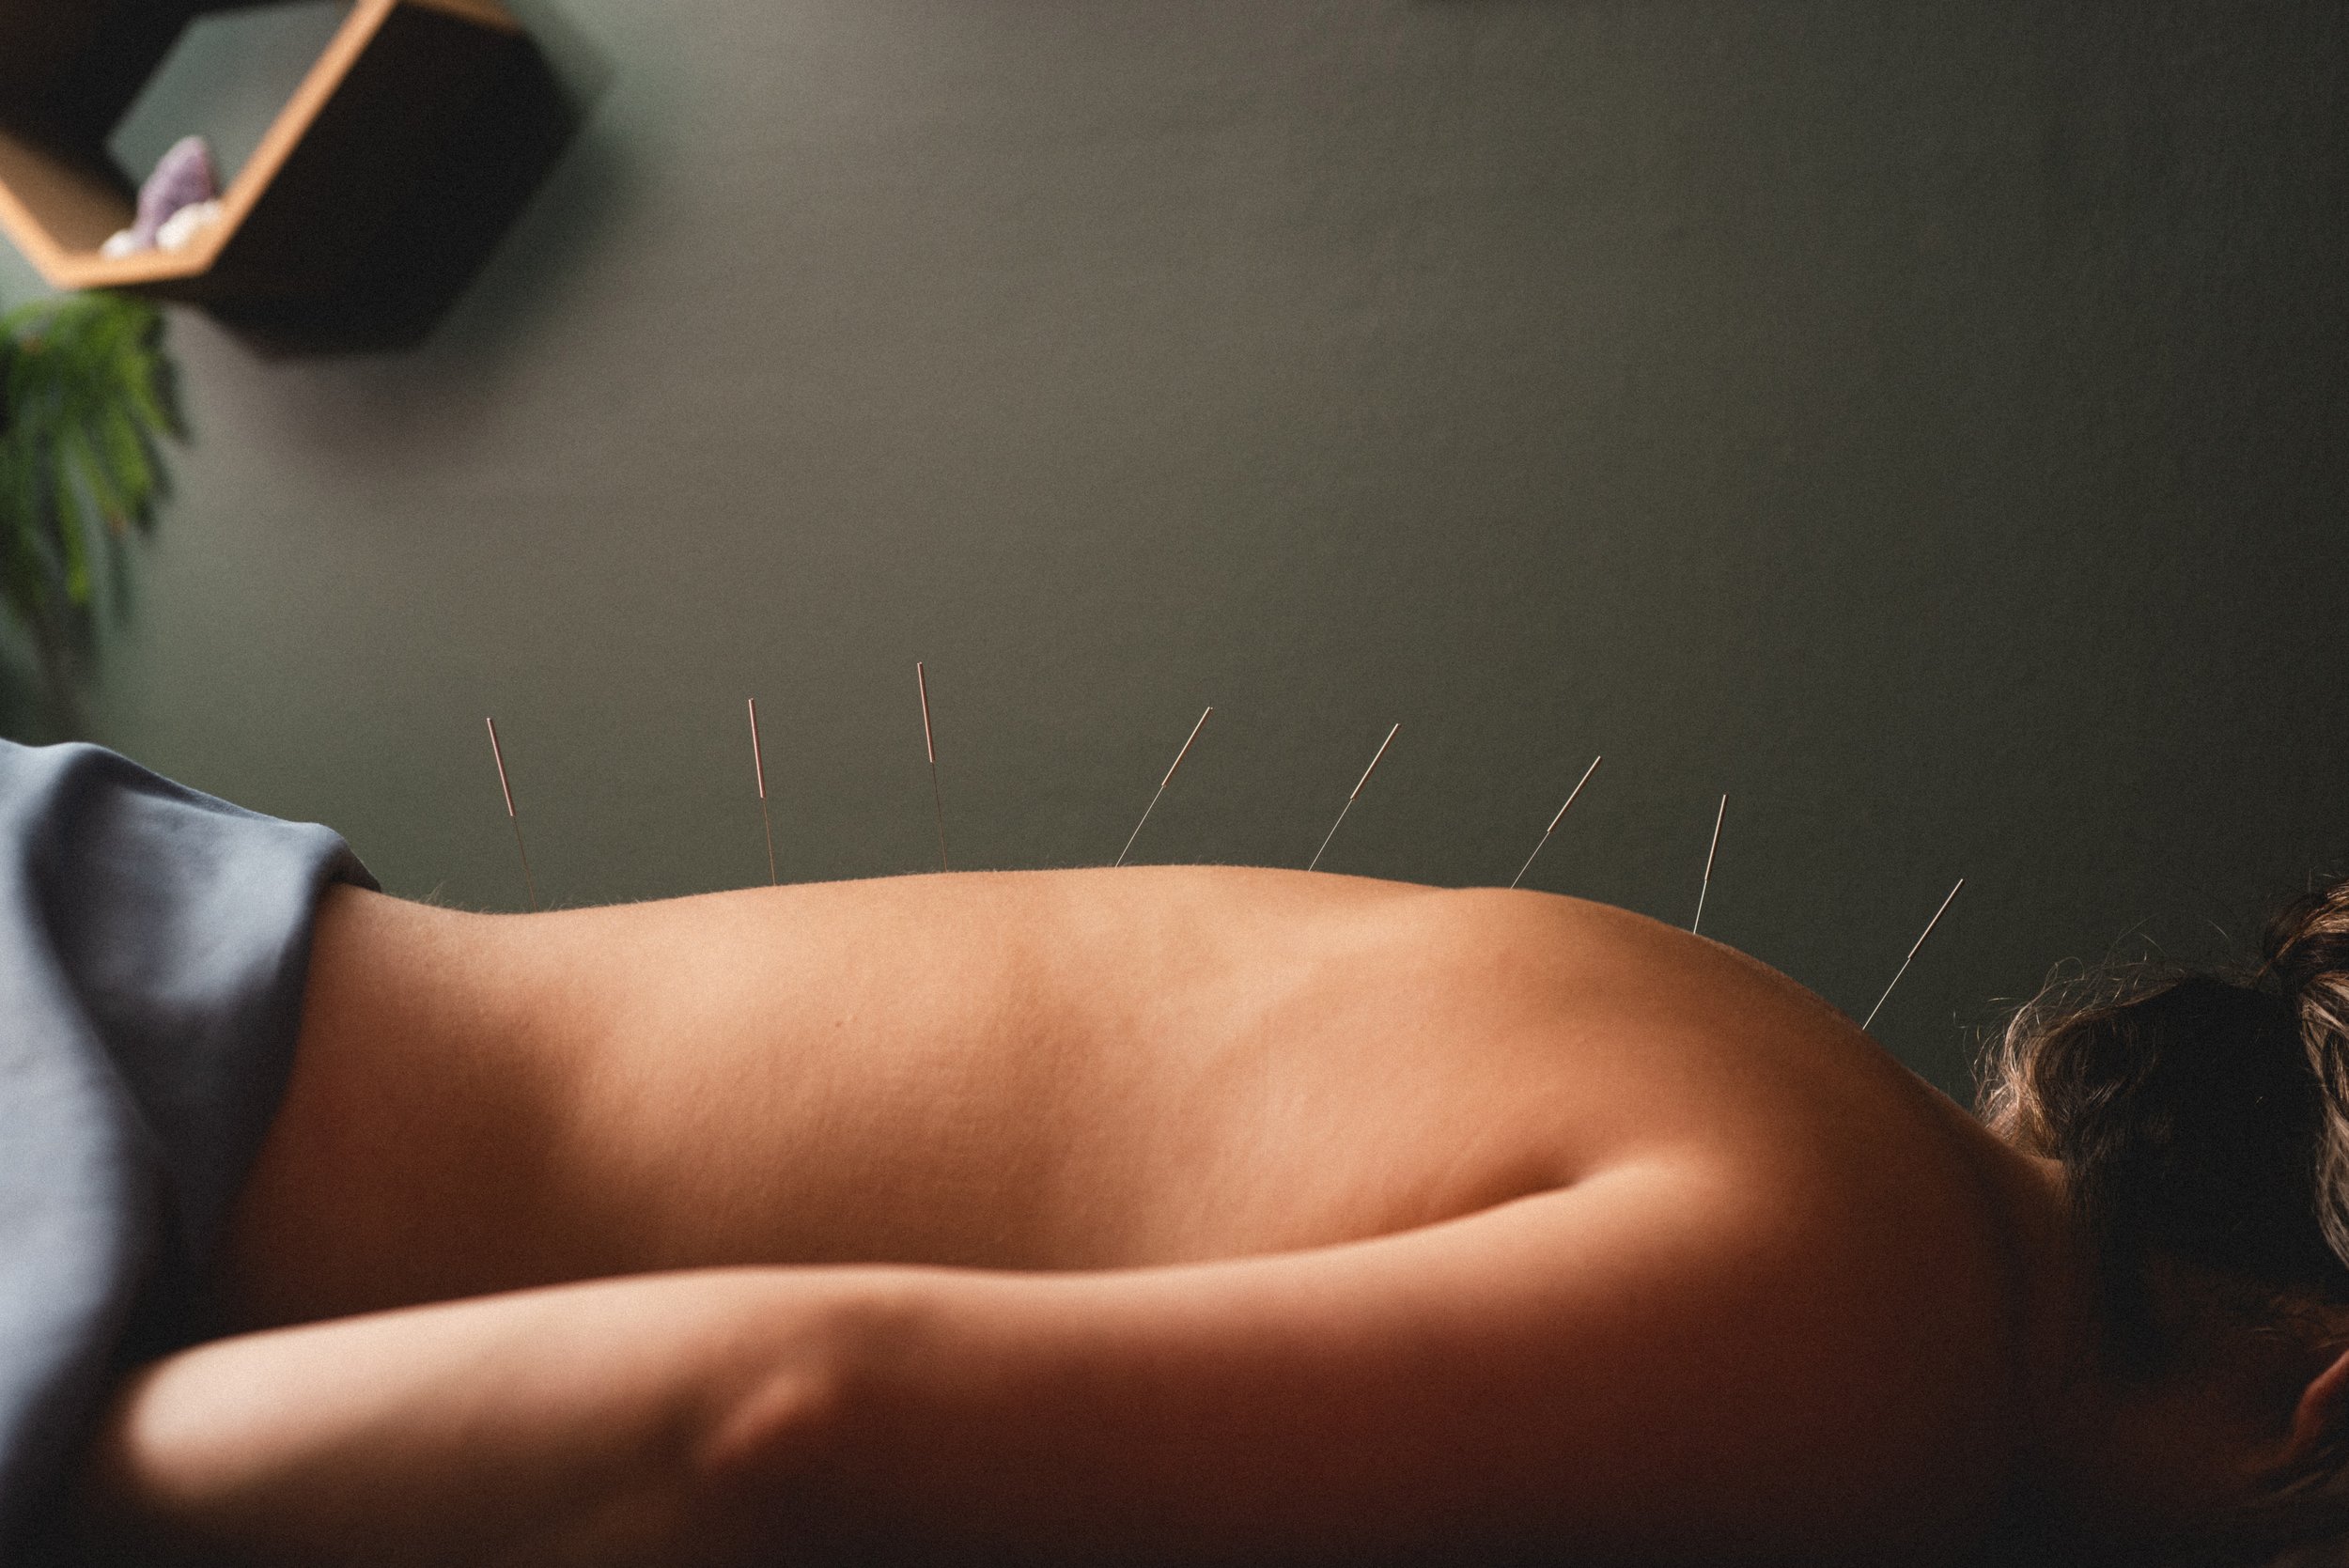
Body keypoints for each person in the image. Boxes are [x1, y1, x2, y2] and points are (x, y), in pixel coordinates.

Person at [9, 739, 2349, 1567]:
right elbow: (770, 1430)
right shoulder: (1870, 1352)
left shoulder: (1810, 1113)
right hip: (83, 1143)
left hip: (118, 950)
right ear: (2309, 1422)